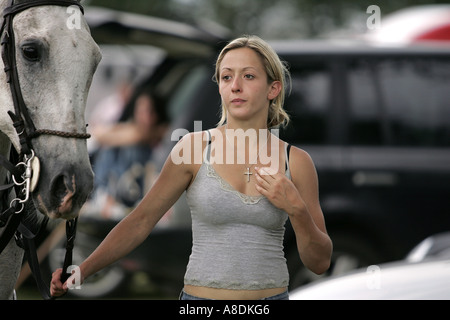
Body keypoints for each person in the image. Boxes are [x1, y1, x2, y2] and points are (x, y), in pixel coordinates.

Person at [51, 35, 332, 300]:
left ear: (274, 87)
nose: (235, 86)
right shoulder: (192, 148)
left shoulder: (296, 162)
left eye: (248, 76)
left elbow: (319, 262)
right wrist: (82, 270)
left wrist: (297, 209)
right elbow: (141, 221)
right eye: (226, 77)